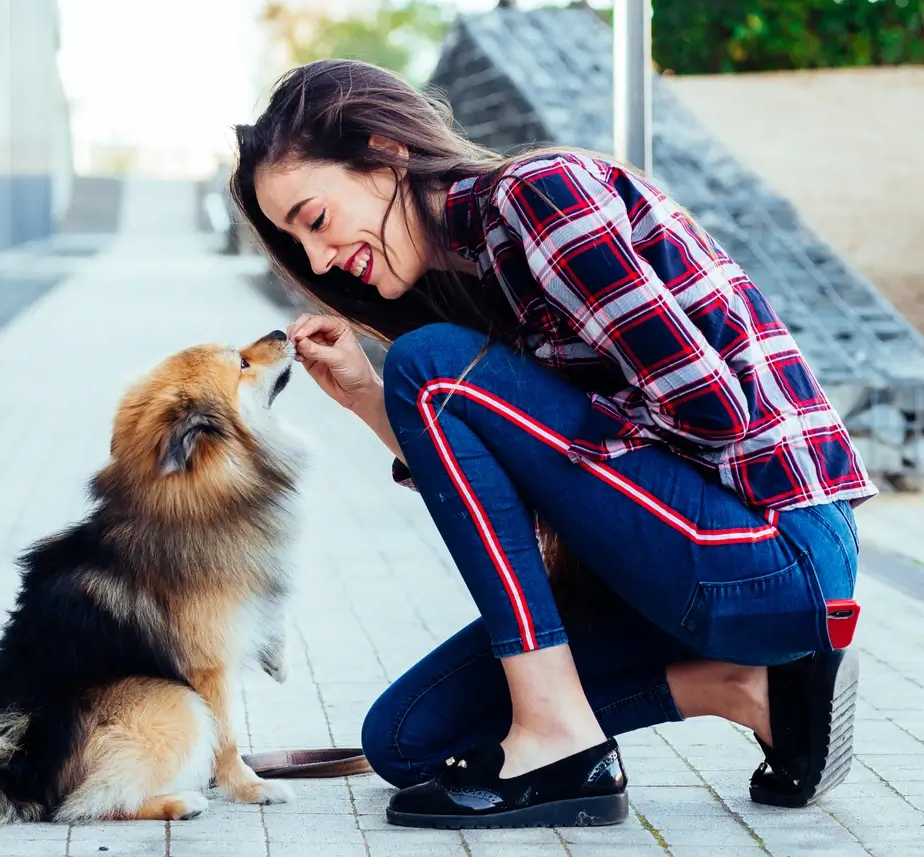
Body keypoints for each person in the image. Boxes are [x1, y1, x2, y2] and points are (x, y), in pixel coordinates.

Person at [229, 58, 874, 830]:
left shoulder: (543, 196)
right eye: (299, 246)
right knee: (406, 740)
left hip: (776, 547)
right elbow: (504, 494)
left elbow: (714, 409)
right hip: (681, 565)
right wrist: (372, 397)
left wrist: (546, 445)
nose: (321, 260)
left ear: (383, 152)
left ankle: (561, 737)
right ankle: (753, 691)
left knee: (430, 365)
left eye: (315, 218)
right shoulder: (475, 280)